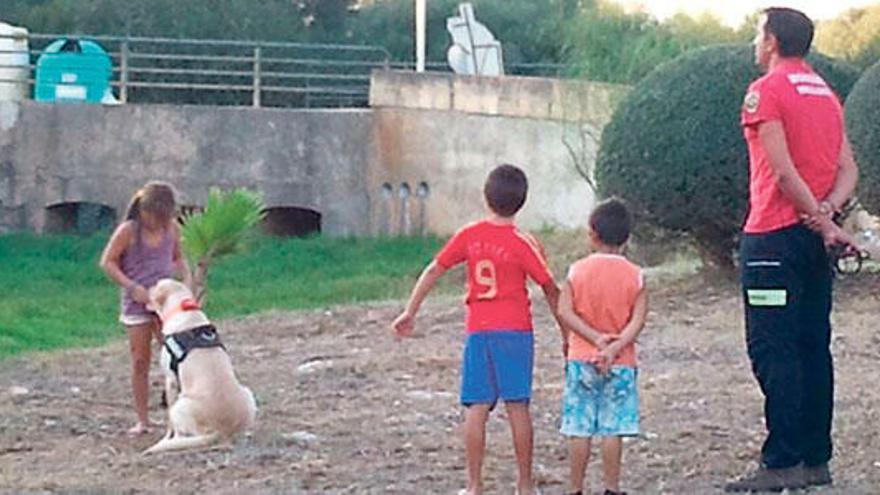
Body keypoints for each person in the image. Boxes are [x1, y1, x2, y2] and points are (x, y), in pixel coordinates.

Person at [725, 7, 859, 492]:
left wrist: (820, 220)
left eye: (758, 33)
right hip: (812, 243)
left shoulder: (766, 92)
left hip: (772, 240)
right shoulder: (826, 92)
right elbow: (849, 170)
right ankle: (815, 459)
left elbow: (781, 173)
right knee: (811, 347)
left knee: (773, 349)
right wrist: (828, 216)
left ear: (773, 41)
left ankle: (782, 460)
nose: (755, 43)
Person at [392, 164, 563, 495]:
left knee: (476, 406)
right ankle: (525, 485)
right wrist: (566, 332)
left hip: (478, 330)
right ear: (522, 201)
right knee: (518, 407)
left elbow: (434, 269)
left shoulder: (470, 235)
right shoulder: (522, 243)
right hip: (515, 331)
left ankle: (473, 485)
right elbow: (550, 287)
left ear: (486, 197)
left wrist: (410, 310)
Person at [556, 198, 647, 495]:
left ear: (592, 234)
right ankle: (611, 487)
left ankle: (575, 487)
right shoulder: (635, 275)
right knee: (612, 428)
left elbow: (565, 311)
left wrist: (594, 338)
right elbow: (637, 321)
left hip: (581, 357)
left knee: (579, 427)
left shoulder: (576, 271)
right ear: (627, 237)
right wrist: (614, 345)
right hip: (620, 361)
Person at [99, 181, 191, 436]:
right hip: (137, 304)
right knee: (140, 360)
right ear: (144, 211)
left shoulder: (171, 229)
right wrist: (132, 287)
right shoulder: (128, 231)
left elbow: (178, 258)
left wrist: (187, 281)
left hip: (166, 303)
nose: (158, 223)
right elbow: (107, 262)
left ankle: (179, 411)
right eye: (154, 218)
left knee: (176, 355)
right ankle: (143, 420)